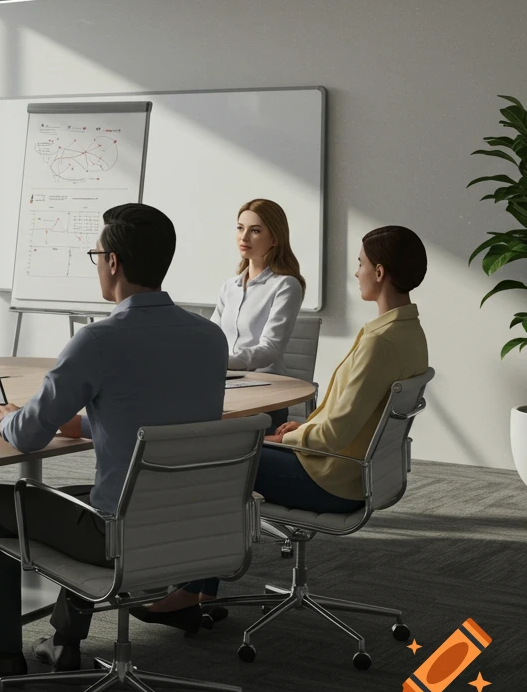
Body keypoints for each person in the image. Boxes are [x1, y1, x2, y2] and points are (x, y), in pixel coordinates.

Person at [0, 204, 228, 682]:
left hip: (116, 535)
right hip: (190, 525)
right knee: (85, 499)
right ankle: (64, 642)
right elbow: (164, 425)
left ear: (112, 262)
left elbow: (29, 435)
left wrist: (4, 415)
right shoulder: (210, 338)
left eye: (96, 255)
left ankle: (0, 651)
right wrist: (87, 424)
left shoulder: (97, 340)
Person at [136, 225, 429, 630]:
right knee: (229, 453)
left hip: (332, 475)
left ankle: (189, 592)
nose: (356, 272)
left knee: (214, 466)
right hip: (357, 470)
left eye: (360, 264)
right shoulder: (408, 331)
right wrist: (304, 422)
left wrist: (288, 437)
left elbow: (336, 434)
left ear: (379, 273)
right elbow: (352, 412)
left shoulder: (382, 342)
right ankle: (200, 592)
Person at [211, 199, 306, 426]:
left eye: (255, 231)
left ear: (274, 238)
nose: (244, 238)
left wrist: (225, 362)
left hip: (265, 392)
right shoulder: (229, 286)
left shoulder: (286, 285)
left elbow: (271, 348)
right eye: (240, 228)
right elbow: (212, 335)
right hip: (226, 385)